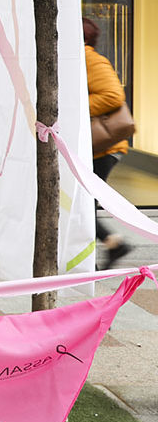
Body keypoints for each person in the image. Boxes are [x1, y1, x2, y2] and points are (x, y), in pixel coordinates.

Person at [83, 17, 133, 269]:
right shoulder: (80, 58)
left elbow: (113, 96)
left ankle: (108, 247)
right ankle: (112, 244)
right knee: (81, 204)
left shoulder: (90, 59)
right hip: (94, 148)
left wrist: (77, 106)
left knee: (81, 205)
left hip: (103, 148)